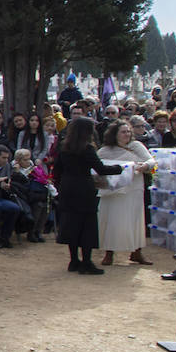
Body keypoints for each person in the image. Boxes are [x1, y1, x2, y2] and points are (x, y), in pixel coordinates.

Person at [53, 116, 123, 275]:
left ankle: (73, 261)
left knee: (71, 224)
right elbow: (101, 169)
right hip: (84, 188)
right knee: (87, 226)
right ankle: (86, 262)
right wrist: (120, 168)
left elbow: (57, 169)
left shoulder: (64, 146)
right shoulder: (87, 148)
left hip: (68, 187)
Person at [95, 120, 155, 266]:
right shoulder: (105, 150)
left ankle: (136, 252)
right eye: (123, 131)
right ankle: (109, 253)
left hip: (133, 189)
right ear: (115, 134)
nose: (126, 134)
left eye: (128, 131)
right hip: (112, 191)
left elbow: (151, 161)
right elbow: (96, 166)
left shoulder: (136, 146)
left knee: (134, 219)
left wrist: (144, 166)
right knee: (112, 220)